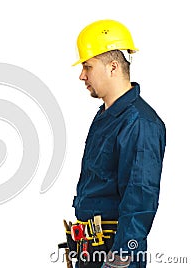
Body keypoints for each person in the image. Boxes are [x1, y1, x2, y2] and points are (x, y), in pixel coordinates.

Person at [67, 19, 166, 267]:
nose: (81, 75)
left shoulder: (140, 122)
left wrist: (119, 260)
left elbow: (140, 201)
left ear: (112, 67)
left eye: (88, 66)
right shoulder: (105, 117)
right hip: (91, 250)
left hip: (115, 253)